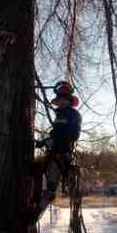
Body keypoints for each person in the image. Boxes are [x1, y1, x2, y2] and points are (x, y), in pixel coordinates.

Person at [34, 81, 82, 218]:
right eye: (58, 101)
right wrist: (44, 142)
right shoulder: (60, 115)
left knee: (51, 184)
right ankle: (34, 199)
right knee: (38, 171)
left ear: (67, 100)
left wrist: (58, 142)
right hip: (54, 151)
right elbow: (56, 133)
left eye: (61, 100)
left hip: (62, 153)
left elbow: (72, 134)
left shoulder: (72, 114)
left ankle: (36, 213)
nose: (58, 103)